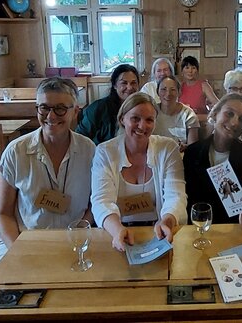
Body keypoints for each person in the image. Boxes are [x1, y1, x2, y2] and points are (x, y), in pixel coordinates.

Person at [0, 78, 95, 270]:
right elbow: (3, 213)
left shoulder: (89, 150)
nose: (51, 116)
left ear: (75, 112)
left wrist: (80, 231)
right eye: (44, 108)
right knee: (3, 284)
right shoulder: (16, 151)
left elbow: (94, 202)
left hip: (74, 239)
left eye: (60, 109)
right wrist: (18, 250)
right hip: (23, 238)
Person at [90, 92, 187, 251]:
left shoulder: (168, 148)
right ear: (122, 119)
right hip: (116, 232)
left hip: (159, 232)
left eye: (149, 120)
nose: (142, 126)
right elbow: (101, 201)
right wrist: (117, 230)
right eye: (135, 118)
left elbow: (176, 196)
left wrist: (167, 221)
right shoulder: (105, 151)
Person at [183, 93, 242, 228]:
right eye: (229, 114)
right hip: (199, 228)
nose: (234, 122)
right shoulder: (192, 153)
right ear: (215, 113)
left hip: (237, 230)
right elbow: (185, 197)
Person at [76, 64, 139, 145]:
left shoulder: (142, 109)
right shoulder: (97, 109)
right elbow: (79, 139)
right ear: (114, 85)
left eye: (133, 83)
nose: (129, 87)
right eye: (124, 83)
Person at [153, 76, 199, 151]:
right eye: (163, 89)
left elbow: (193, 148)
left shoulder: (188, 114)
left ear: (179, 92)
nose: (168, 94)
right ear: (157, 92)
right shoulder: (151, 112)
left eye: (173, 90)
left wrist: (185, 147)